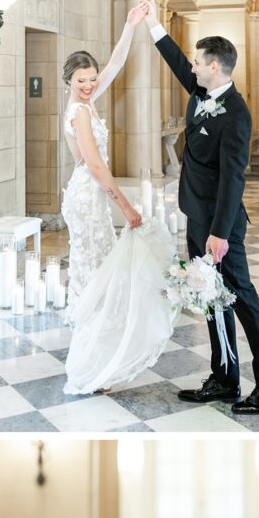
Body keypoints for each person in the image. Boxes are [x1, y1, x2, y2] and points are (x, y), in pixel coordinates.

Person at [137, 0, 259, 416]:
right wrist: (152, 23)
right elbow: (175, 62)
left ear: (217, 67)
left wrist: (220, 233)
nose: (194, 68)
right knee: (210, 298)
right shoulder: (203, 92)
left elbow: (233, 179)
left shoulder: (235, 114)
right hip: (196, 217)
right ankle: (224, 378)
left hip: (221, 227)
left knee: (241, 298)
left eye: (200, 63)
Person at [60, 24, 174, 398]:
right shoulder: (79, 112)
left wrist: (130, 24)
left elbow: (115, 63)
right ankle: (90, 366)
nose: (90, 85)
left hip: (89, 195)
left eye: (92, 79)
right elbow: (93, 165)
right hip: (87, 197)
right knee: (95, 279)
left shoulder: (87, 102)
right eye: (82, 81)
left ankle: (97, 360)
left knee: (98, 275)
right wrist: (125, 207)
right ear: (69, 81)